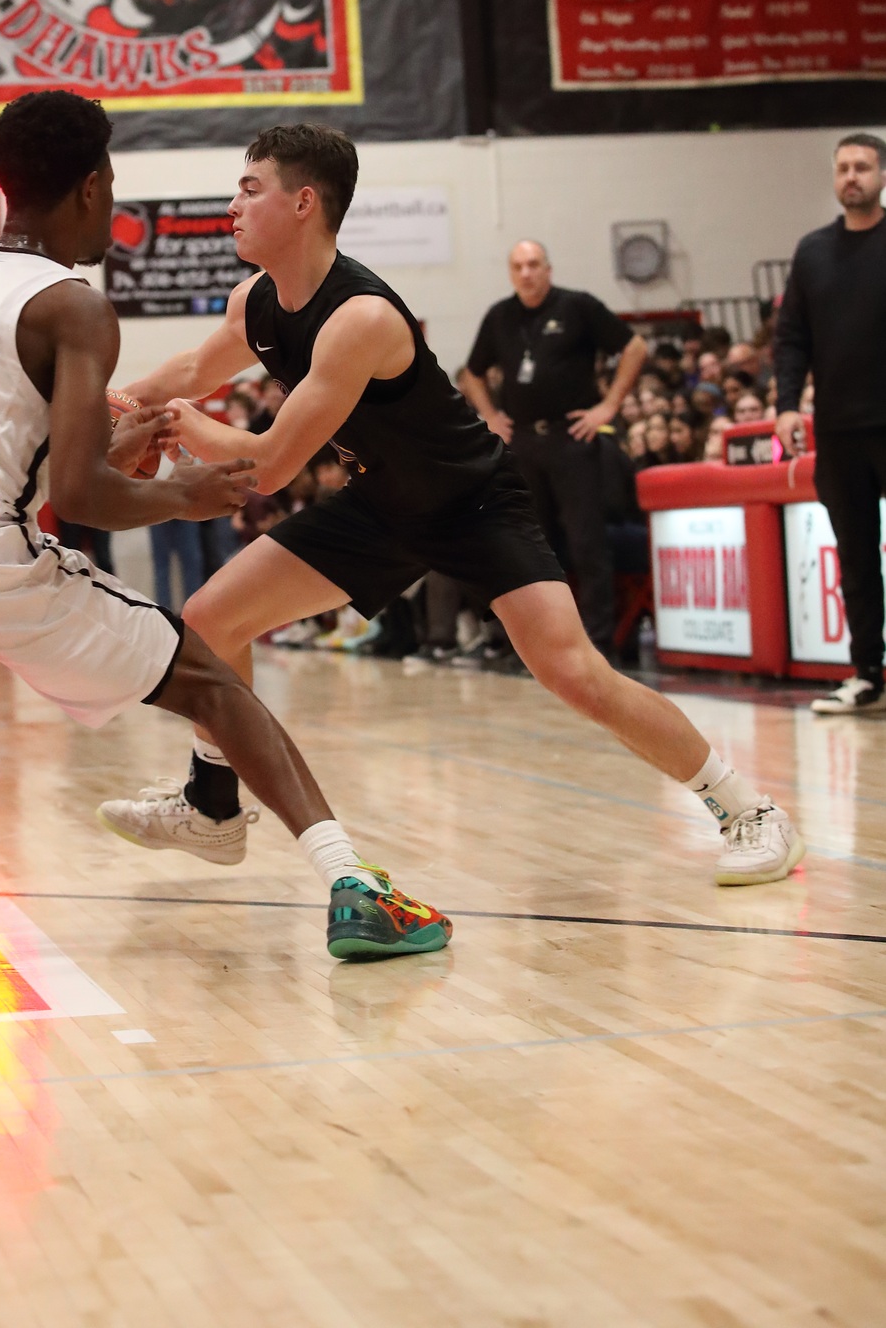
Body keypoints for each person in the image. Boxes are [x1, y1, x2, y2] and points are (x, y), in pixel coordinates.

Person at [0, 92, 449, 962]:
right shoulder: (72, 304)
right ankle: (352, 884)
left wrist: (111, 447)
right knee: (210, 677)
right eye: (109, 184)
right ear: (88, 187)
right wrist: (181, 495)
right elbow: (82, 499)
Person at [100, 123, 803, 887]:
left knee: (574, 674)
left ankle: (750, 811)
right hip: (380, 502)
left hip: (472, 503)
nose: (231, 206)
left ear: (302, 203)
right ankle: (212, 807)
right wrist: (115, 402)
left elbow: (268, 466)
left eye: (248, 189)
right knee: (208, 618)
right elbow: (193, 368)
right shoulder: (256, 301)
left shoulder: (360, 316)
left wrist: (179, 425)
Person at [455, 241, 648, 662]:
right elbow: (472, 372)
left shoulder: (578, 306)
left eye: (533, 265)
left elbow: (634, 347)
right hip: (523, 441)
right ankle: (539, 646)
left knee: (587, 543)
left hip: (571, 437)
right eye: (518, 266)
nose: (526, 273)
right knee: (531, 547)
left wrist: (609, 406)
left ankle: (599, 645)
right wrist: (491, 416)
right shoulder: (500, 316)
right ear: (511, 273)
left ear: (548, 269)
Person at [776, 131, 886, 717]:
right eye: (843, 167)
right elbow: (792, 336)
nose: (851, 176)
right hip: (840, 429)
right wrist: (787, 403)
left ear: (882, 176)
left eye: (862, 167)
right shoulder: (813, 251)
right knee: (856, 556)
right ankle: (867, 673)